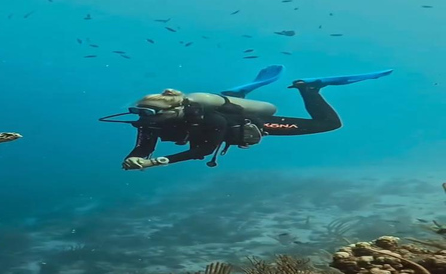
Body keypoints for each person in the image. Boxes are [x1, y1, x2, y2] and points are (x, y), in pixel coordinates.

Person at [99, 65, 392, 170]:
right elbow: (143, 146)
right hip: (227, 112)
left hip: (251, 126)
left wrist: (157, 163)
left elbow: (201, 150)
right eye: (140, 113)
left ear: (173, 110)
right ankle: (234, 93)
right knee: (230, 100)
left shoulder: (210, 120)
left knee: (329, 125)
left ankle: (310, 88)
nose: (144, 119)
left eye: (149, 113)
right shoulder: (150, 123)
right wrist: (136, 157)